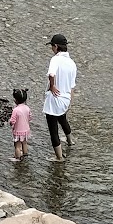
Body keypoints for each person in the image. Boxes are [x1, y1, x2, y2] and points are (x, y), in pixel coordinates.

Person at [44, 33, 77, 162]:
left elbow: (51, 74)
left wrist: (52, 86)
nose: (52, 49)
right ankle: (70, 141)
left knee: (53, 129)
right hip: (66, 98)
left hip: (54, 98)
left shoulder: (55, 59)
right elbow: (72, 86)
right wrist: (70, 102)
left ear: (56, 46)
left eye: (52, 46)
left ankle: (59, 157)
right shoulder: (72, 63)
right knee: (63, 119)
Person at [10, 88, 31, 163]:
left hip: (18, 131)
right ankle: (25, 155)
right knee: (24, 143)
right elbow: (30, 117)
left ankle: (17, 158)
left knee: (17, 146)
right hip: (26, 130)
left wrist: (10, 123)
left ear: (15, 100)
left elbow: (12, 121)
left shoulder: (15, 110)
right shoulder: (27, 108)